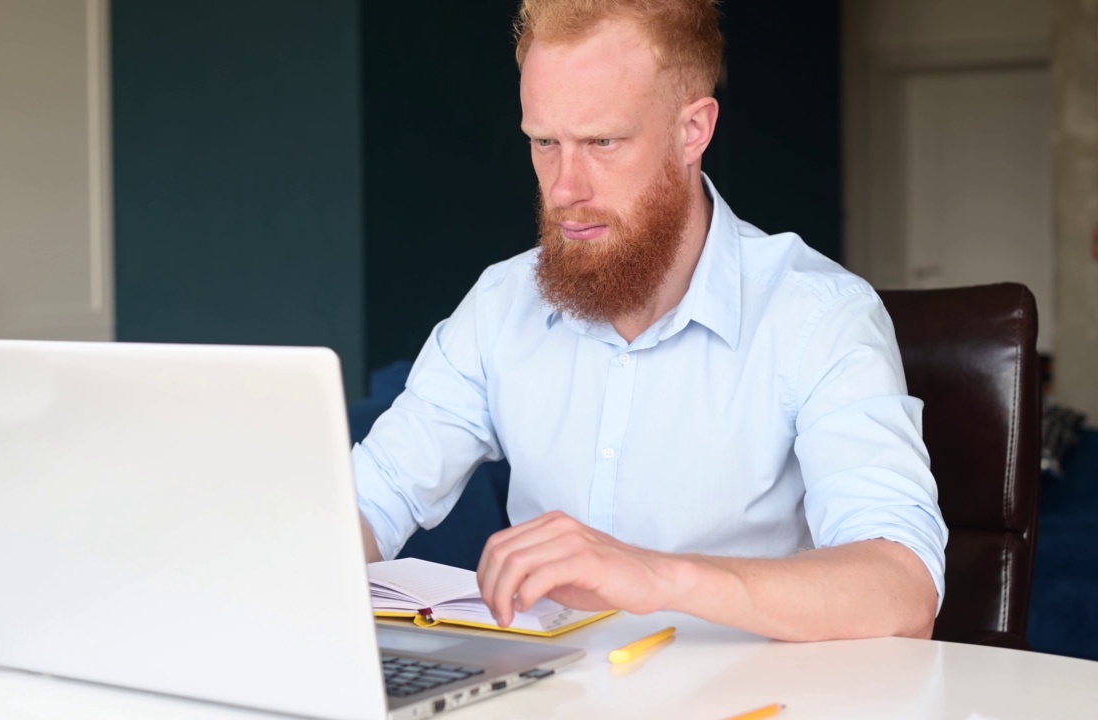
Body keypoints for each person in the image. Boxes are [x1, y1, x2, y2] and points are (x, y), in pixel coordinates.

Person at [353, 0, 947, 642]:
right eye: (544, 143)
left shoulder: (819, 316)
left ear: (694, 130)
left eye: (602, 142)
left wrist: (657, 577)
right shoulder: (501, 305)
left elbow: (903, 589)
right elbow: (368, 501)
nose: (562, 188)